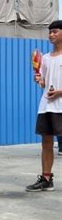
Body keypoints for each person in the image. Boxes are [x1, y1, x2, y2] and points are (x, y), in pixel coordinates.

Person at [26, 20, 62, 192]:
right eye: (50, 32)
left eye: (55, 31)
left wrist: (60, 92)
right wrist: (40, 80)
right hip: (46, 106)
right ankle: (46, 179)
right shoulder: (45, 59)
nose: (51, 35)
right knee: (46, 143)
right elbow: (44, 83)